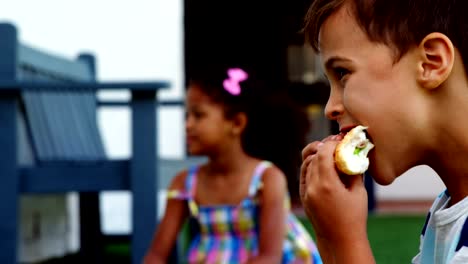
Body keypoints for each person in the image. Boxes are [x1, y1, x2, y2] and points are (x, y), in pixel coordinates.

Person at [299, 0, 468, 263]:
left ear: (431, 62)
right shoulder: (448, 208)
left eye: (342, 72)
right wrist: (328, 235)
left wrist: (347, 241)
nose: (330, 108)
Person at [144, 65, 322, 263]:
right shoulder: (185, 183)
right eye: (187, 116)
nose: (188, 125)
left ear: (236, 123)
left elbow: (270, 257)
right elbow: (156, 255)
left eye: (199, 115)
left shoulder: (266, 179)